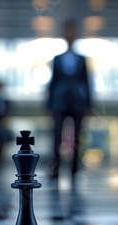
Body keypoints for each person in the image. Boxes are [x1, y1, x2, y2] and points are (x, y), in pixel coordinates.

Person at [47, 19, 91, 179]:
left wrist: (88, 104)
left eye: (73, 31)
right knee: (56, 135)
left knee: (78, 137)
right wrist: (49, 105)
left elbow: (87, 82)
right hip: (60, 102)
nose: (70, 34)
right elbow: (52, 83)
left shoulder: (81, 59)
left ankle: (74, 169)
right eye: (68, 31)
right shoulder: (57, 58)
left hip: (77, 102)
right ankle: (55, 168)